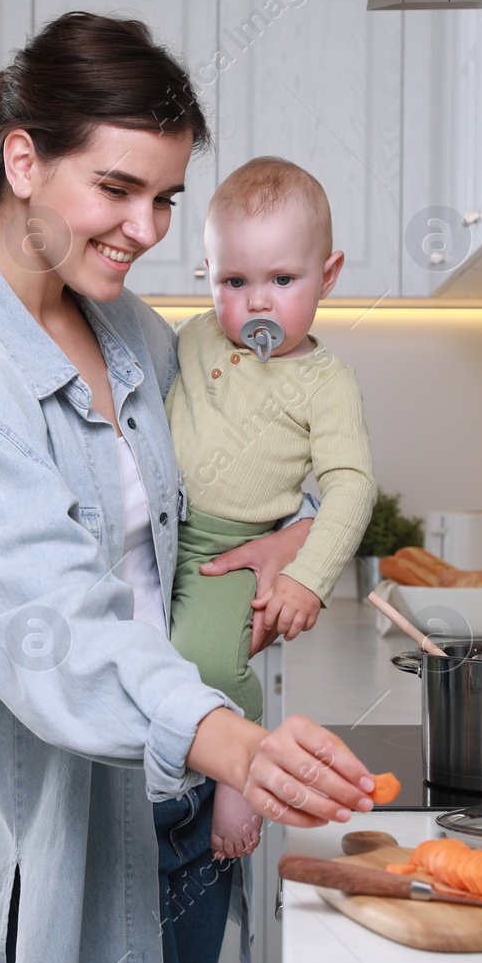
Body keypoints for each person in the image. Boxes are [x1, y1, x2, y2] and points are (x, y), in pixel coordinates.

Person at [0, 12, 376, 963]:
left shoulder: (132, 332)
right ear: (24, 161)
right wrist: (228, 740)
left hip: (186, 806)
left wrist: (294, 530)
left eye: (166, 198)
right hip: (66, 848)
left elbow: (237, 465)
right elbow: (58, 628)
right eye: (117, 189)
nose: (146, 230)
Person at [164, 157, 377, 859]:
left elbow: (352, 485)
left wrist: (304, 574)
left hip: (229, 548)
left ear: (329, 274)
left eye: (282, 280)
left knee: (204, 663)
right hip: (161, 541)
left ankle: (239, 766)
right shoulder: (191, 338)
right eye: (235, 281)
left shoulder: (325, 381)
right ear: (208, 272)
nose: (257, 303)